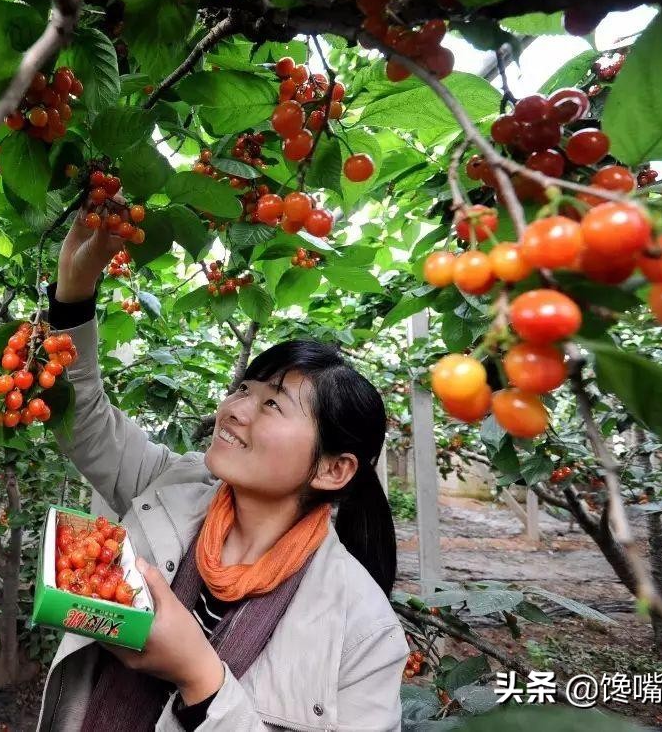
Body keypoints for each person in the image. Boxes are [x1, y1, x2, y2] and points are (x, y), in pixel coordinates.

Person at [35, 204, 407, 731]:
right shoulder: (167, 489)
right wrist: (74, 293)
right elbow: (84, 418)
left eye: (273, 404)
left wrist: (200, 678)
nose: (233, 408)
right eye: (243, 390)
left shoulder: (366, 633)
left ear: (332, 470)